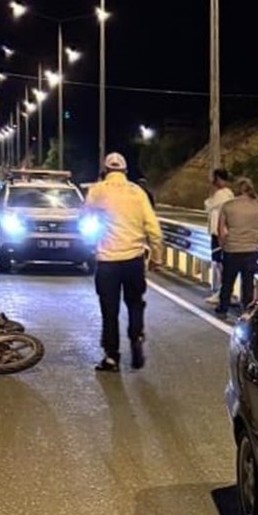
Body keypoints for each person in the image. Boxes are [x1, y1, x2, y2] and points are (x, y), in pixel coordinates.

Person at [84, 152, 163, 373]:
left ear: (106, 171)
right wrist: (156, 256)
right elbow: (154, 229)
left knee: (110, 311)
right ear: (125, 172)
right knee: (135, 303)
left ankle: (112, 357)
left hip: (108, 261)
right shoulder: (138, 192)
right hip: (134, 260)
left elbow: (85, 216)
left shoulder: (98, 190)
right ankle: (136, 335)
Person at [215, 176, 258, 321]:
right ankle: (246, 310)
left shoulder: (228, 206)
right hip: (250, 250)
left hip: (232, 249)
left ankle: (223, 309)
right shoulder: (256, 206)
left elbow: (220, 229)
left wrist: (223, 245)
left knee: (227, 282)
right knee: (248, 283)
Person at [203, 167, 234, 304]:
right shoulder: (228, 193)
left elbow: (208, 205)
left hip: (219, 233)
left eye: (214, 179)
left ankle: (222, 292)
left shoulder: (221, 194)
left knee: (219, 263)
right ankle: (223, 291)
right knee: (219, 263)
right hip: (221, 232)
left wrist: (211, 191)